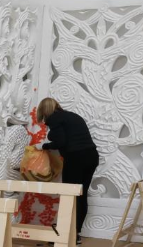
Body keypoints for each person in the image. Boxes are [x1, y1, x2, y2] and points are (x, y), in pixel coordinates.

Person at [35, 97, 100, 237]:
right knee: (81, 195)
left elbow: (61, 142)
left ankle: (66, 235)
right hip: (91, 157)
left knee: (69, 194)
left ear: (44, 111)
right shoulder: (72, 116)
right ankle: (76, 234)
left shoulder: (54, 119)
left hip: (76, 159)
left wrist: (43, 146)